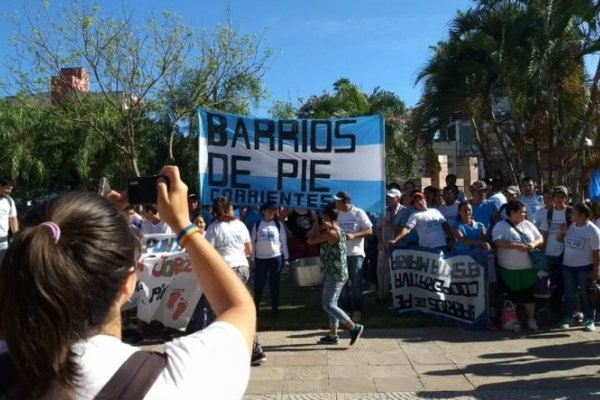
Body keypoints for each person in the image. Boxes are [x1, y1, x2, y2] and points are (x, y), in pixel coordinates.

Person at [0, 166, 255, 399]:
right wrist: (182, 225)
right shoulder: (177, 380)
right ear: (129, 280)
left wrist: (89, 216)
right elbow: (239, 307)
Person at [203, 196, 266, 366]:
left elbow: (207, 252)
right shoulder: (240, 225)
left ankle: (221, 348)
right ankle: (254, 349)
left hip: (226, 270)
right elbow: (248, 248)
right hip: (242, 268)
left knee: (221, 310)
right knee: (243, 308)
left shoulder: (213, 229)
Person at [307, 204, 364, 346]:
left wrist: (318, 227)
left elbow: (309, 240)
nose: (321, 219)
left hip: (336, 274)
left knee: (328, 304)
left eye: (323, 217)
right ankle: (333, 335)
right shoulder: (337, 230)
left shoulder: (330, 233)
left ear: (327, 217)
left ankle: (353, 327)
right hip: (335, 272)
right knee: (332, 303)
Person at [492, 199, 544, 331]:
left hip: (529, 267)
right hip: (509, 269)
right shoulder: (501, 226)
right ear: (512, 212)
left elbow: (540, 238)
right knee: (511, 295)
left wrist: (532, 244)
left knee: (529, 295)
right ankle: (511, 320)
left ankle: (531, 319)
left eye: (525, 212)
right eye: (522, 212)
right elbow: (498, 242)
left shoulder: (528, 225)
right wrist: (515, 246)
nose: (524, 215)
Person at [555, 202, 600, 331]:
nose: (571, 214)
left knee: (585, 294)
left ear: (582, 215)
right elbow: (559, 240)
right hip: (568, 267)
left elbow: (597, 253)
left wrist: (596, 270)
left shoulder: (593, 230)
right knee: (569, 293)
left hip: (585, 267)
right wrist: (561, 233)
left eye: (574, 213)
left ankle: (590, 319)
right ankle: (568, 317)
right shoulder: (570, 226)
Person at [333, 191, 373, 322]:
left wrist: (354, 236)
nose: (336, 203)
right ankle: (345, 310)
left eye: (338, 201)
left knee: (356, 284)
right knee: (342, 284)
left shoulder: (358, 212)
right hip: (340, 253)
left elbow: (369, 230)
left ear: (345, 201)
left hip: (356, 253)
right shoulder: (336, 214)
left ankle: (357, 310)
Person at [251, 201, 289, 317]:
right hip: (260, 259)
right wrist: (252, 259)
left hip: (275, 258)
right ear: (263, 211)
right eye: (270, 210)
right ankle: (255, 308)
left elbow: (283, 241)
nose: (272, 212)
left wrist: (286, 258)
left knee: (274, 284)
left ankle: (275, 308)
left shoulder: (278, 225)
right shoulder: (257, 225)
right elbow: (252, 242)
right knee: (259, 285)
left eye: (273, 210)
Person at [388, 191, 453, 252]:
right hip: (427, 249)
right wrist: (395, 240)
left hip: (443, 246)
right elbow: (407, 229)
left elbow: (445, 225)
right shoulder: (415, 215)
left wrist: (451, 238)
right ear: (414, 205)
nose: (420, 202)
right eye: (416, 202)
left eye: (421, 199)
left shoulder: (435, 211)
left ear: (425, 200)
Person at [376, 188, 405, 302]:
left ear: (398, 198)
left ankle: (397, 296)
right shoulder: (383, 211)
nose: (388, 199)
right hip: (384, 245)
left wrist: (390, 226)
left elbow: (404, 229)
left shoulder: (404, 211)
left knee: (397, 271)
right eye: (387, 197)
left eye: (391, 197)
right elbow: (377, 227)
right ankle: (382, 294)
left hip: (399, 245)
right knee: (381, 270)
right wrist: (380, 241)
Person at [0, 177, 18, 265]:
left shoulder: (9, 201)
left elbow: (13, 219)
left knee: (2, 264)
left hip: (3, 239)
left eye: (11, 189)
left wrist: (16, 235)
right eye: (7, 188)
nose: (9, 191)